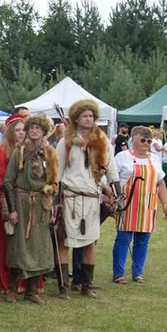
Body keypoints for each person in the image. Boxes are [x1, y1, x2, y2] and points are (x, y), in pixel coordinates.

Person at [56, 100, 117, 298]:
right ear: (76, 118)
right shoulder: (65, 141)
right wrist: (55, 200)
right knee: (64, 242)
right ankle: (64, 286)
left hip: (92, 198)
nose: (89, 119)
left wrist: (116, 191)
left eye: (91, 116)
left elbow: (112, 168)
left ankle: (86, 285)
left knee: (90, 242)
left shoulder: (102, 141)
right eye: (85, 116)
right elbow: (57, 172)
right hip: (69, 197)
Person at [1, 114, 58, 304]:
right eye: (31, 128)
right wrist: (12, 210)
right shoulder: (20, 151)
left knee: (39, 247)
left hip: (41, 206)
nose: (34, 131)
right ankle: (12, 289)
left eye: (38, 129)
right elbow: (7, 183)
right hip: (22, 203)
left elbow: (54, 182)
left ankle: (32, 291)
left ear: (44, 132)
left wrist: (50, 195)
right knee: (18, 247)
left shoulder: (50, 153)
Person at [112, 127, 167, 284]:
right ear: (134, 140)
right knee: (123, 239)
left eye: (149, 141)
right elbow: (112, 180)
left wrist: (165, 204)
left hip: (148, 206)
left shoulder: (155, 159)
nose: (146, 144)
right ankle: (118, 274)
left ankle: (138, 272)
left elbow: (160, 183)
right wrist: (112, 199)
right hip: (127, 205)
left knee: (143, 241)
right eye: (143, 140)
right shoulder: (122, 157)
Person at [0, 114, 25, 295]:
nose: (21, 133)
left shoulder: (26, 150)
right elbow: (0, 180)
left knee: (19, 242)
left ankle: (19, 280)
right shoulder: (3, 151)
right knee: (4, 242)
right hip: (6, 201)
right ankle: (1, 280)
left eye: (23, 130)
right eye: (17, 130)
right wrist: (6, 206)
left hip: (22, 200)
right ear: (10, 132)